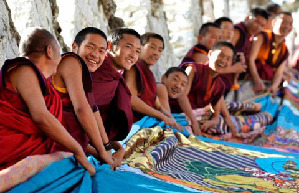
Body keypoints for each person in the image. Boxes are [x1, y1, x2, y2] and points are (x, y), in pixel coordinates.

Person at [0, 28, 95, 175]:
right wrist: (77, 149)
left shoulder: (42, 83)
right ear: (49, 51)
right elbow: (41, 117)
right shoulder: (24, 69)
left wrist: (89, 150)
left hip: (33, 151)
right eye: (59, 51)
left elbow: (54, 130)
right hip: (10, 149)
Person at [51, 27, 115, 169]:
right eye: (90, 47)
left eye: (101, 51)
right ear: (75, 46)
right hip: (49, 140)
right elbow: (81, 109)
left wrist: (106, 148)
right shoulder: (71, 61)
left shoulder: (83, 71)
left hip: (66, 141)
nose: (95, 55)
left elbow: (93, 109)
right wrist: (102, 152)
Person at [91, 28, 140, 167]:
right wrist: (103, 152)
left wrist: (118, 148)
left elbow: (99, 118)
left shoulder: (115, 76)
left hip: (98, 139)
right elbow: (80, 118)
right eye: (129, 47)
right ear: (110, 46)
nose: (133, 55)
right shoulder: (95, 70)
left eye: (137, 51)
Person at [176, 41, 238, 137]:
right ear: (210, 54)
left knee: (226, 125)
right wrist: (194, 123)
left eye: (228, 59)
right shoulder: (193, 70)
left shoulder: (220, 84)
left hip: (200, 119)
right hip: (181, 115)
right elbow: (181, 96)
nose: (223, 61)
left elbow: (216, 115)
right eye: (221, 55)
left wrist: (212, 122)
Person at [124, 32, 182, 130]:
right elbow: (131, 100)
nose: (156, 53)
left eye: (160, 50)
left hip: (147, 120)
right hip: (134, 123)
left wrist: (172, 120)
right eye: (152, 47)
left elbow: (158, 105)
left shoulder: (149, 74)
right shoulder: (133, 67)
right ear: (140, 47)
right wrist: (162, 117)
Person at [249, 12, 293, 97]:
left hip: (267, 85)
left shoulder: (284, 49)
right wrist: (257, 80)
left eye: (290, 24)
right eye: (284, 22)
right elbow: (251, 59)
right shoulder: (262, 37)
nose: (287, 27)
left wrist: (274, 87)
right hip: (251, 81)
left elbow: (279, 73)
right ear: (274, 23)